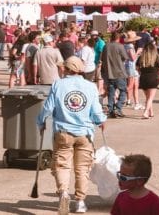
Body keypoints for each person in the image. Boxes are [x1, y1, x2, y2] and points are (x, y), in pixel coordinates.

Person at [37, 56, 106, 215]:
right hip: (85, 133)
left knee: (62, 165)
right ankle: (80, 202)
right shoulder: (90, 86)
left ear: (67, 69)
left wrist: (41, 122)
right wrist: (101, 121)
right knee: (82, 169)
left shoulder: (58, 84)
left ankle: (64, 193)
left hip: (63, 132)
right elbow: (96, 111)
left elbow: (48, 107)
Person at [101, 33, 128, 118]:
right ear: (118, 38)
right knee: (123, 91)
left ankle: (111, 109)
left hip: (109, 73)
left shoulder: (106, 46)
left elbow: (102, 58)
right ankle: (118, 108)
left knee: (111, 93)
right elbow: (125, 57)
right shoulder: (120, 46)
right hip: (119, 72)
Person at [137, 41, 159, 119]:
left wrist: (141, 71)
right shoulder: (156, 57)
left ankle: (151, 112)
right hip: (153, 78)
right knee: (150, 97)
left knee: (148, 97)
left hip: (143, 78)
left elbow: (137, 68)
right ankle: (146, 112)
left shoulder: (141, 57)